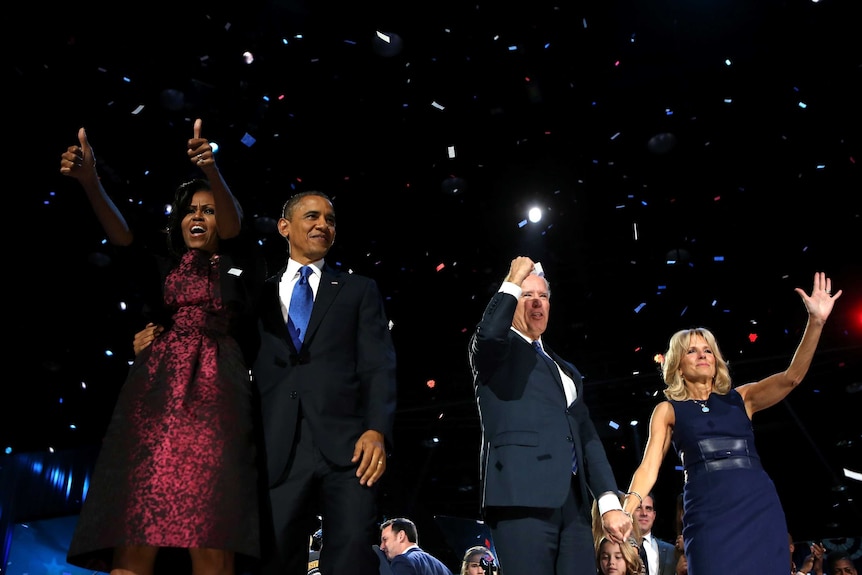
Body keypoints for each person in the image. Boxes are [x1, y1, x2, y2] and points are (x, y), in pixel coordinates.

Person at [60, 120, 265, 575]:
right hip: (154, 396)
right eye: (191, 209)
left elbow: (234, 228)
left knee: (212, 530)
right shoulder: (161, 264)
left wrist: (213, 171)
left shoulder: (240, 260)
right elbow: (122, 237)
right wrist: (91, 182)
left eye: (208, 210)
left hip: (217, 395)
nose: (199, 216)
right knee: (137, 524)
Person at [620, 272, 842, 574]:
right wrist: (626, 511)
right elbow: (648, 468)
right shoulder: (668, 410)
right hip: (708, 515)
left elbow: (792, 378)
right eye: (692, 351)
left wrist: (816, 322)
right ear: (678, 367)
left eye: (708, 350)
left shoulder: (742, 398)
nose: (703, 355)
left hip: (759, 508)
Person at [252, 190, 398, 575]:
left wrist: (376, 430)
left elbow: (378, 367)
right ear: (284, 227)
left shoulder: (358, 290)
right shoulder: (257, 295)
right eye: (312, 217)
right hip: (276, 445)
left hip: (350, 449)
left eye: (330, 220)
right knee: (275, 557)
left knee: (351, 555)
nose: (323, 225)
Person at [467, 256, 631, 575]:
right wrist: (514, 277)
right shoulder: (494, 352)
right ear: (512, 301)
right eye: (527, 296)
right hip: (520, 498)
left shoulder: (567, 371)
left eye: (542, 296)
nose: (536, 303)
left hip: (575, 508)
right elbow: (488, 334)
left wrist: (609, 503)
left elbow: (586, 437)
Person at [379, 517, 453, 575]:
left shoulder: (402, 561)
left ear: (401, 536)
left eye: (385, 539)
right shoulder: (443, 568)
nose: (382, 547)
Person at [633, 493, 676, 575]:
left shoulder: (671, 551)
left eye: (648, 509)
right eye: (638, 508)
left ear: (654, 515)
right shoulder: (619, 547)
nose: (644, 513)